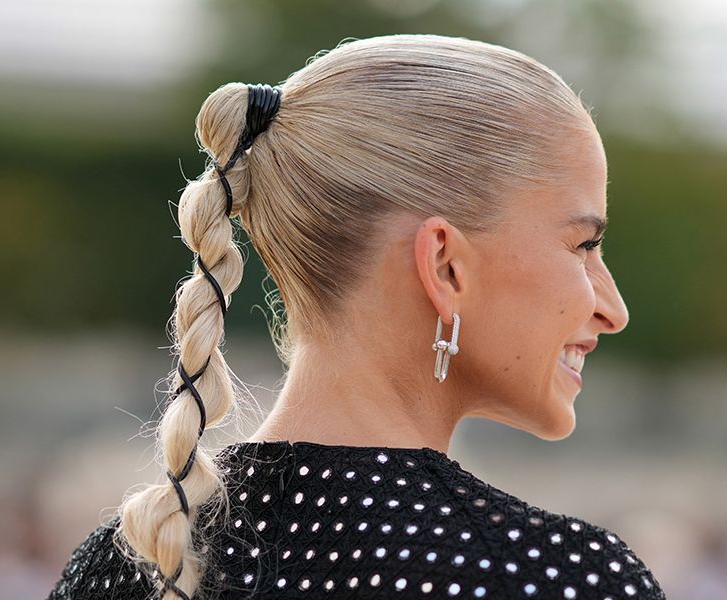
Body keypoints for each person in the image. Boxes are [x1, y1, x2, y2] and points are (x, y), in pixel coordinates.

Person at [47, 33, 666, 599]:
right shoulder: (547, 577)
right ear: (446, 265)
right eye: (584, 246)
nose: (613, 309)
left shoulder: (122, 568)